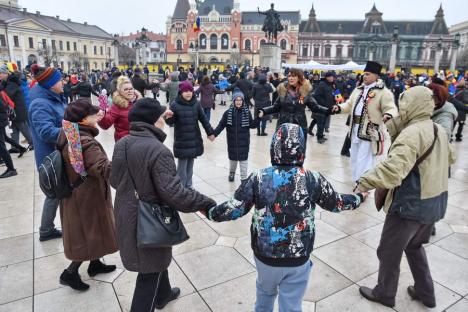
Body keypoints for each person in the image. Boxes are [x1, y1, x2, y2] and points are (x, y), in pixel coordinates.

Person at [206, 123, 368, 312]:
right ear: (302, 149)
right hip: (298, 257)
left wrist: (209, 211)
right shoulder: (312, 178)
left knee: (264, 295)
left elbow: (234, 209)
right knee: (291, 305)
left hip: (265, 256)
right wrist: (358, 198)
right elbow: (337, 202)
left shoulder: (258, 178)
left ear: (274, 147)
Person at [110, 98, 216, 312]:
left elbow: (113, 180)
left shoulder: (122, 143)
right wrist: (205, 202)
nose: (163, 119)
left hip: (125, 212)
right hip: (146, 219)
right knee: (148, 271)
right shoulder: (158, 151)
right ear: (152, 121)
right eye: (160, 116)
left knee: (155, 257)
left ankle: (164, 294)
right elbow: (174, 193)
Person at [356, 86, 456, 309]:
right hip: (435, 203)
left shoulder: (412, 133)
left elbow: (393, 170)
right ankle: (426, 293)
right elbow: (451, 156)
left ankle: (384, 293)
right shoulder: (437, 128)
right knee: (414, 246)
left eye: (405, 104)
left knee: (388, 251)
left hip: (410, 205)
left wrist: (363, 182)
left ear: (411, 105)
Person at [57, 99, 118, 291]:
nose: (96, 115)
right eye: (92, 113)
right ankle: (69, 273)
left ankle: (95, 263)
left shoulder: (71, 132)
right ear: (83, 119)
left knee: (92, 231)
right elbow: (102, 168)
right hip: (86, 196)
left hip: (78, 193)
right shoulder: (84, 141)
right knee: (86, 234)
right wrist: (125, 158)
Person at [332, 61, 398, 184]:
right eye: (364, 74)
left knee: (365, 159)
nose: (364, 76)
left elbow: (391, 108)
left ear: (376, 76)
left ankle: (363, 184)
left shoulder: (384, 92)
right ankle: (357, 180)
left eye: (367, 74)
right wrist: (339, 108)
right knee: (354, 157)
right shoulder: (358, 90)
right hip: (355, 129)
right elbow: (349, 104)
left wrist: (388, 114)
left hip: (369, 131)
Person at [29, 66, 66, 241]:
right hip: (51, 158)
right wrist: (74, 130)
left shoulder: (54, 98)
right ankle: (45, 230)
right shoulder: (40, 103)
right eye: (60, 80)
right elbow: (46, 132)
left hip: (59, 154)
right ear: (51, 84)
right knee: (54, 194)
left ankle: (47, 228)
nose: (63, 81)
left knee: (57, 193)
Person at [259, 68, 329, 151]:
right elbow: (276, 107)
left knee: (298, 153)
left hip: (299, 126)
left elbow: (315, 107)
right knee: (281, 152)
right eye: (289, 76)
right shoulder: (283, 90)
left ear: (299, 77)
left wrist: (328, 110)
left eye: (293, 76)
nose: (291, 78)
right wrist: (264, 111)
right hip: (283, 126)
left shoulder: (304, 91)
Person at [165, 81, 215, 188]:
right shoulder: (175, 104)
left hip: (194, 138)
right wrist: (168, 117)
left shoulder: (196, 104)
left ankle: (189, 184)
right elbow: (170, 123)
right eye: (185, 91)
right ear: (181, 92)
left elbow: (203, 119)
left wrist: (210, 132)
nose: (188, 93)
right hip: (182, 140)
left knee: (191, 163)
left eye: (190, 91)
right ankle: (181, 186)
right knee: (182, 165)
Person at [213, 90, 258, 182]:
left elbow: (252, 125)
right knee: (233, 160)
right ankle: (232, 172)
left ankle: (243, 179)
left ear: (243, 101)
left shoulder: (247, 112)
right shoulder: (228, 113)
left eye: (240, 100)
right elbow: (221, 125)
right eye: (236, 100)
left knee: (243, 161)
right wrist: (214, 134)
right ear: (233, 101)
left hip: (244, 142)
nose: (238, 102)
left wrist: (259, 118)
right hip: (232, 141)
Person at [0, 65, 33, 151]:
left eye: (1, 73)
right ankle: (15, 147)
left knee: (23, 127)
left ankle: (32, 143)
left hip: (18, 110)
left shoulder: (12, 83)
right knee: (14, 128)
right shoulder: (6, 82)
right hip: (13, 110)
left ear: (6, 73)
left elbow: (7, 95)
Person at [98, 76, 141, 142]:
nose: (129, 91)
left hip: (138, 142)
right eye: (126, 89)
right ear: (120, 92)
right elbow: (105, 125)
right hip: (124, 144)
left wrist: (141, 102)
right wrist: (102, 113)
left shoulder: (137, 103)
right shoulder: (117, 106)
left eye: (131, 89)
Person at [311, 72, 336, 143]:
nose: (332, 78)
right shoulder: (322, 84)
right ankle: (319, 137)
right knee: (320, 123)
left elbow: (332, 95)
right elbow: (316, 95)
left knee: (324, 122)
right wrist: (324, 103)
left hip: (328, 107)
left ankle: (321, 135)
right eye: (331, 77)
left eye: (333, 77)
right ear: (327, 77)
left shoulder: (331, 85)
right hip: (321, 107)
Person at [0, 93, 18, 178]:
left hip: (1, 121)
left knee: (1, 146)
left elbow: (2, 107)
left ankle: (11, 169)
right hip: (2, 120)